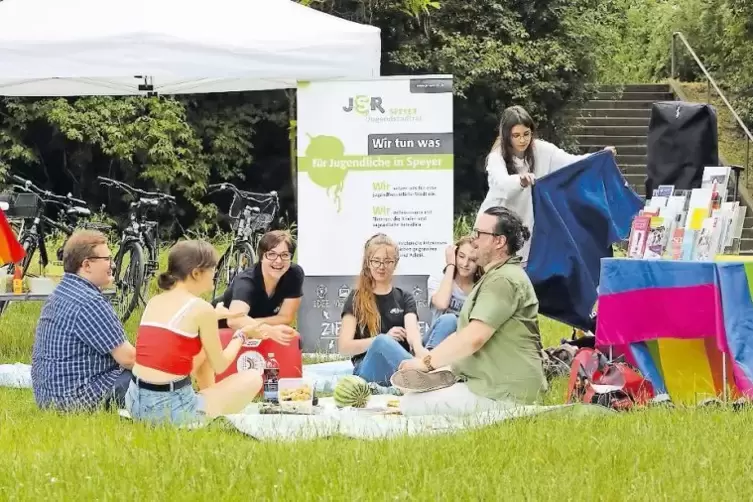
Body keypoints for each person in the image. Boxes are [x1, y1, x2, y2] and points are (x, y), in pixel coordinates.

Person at [391, 206, 548, 416]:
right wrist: (431, 361)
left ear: (499, 241)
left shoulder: (503, 280)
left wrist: (424, 364)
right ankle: (450, 374)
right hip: (496, 384)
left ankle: (450, 377)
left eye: (479, 234)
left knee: (410, 405)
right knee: (414, 398)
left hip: (505, 392)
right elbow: (464, 333)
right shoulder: (499, 275)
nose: (474, 240)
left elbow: (473, 339)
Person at [125, 240, 298, 426]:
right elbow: (220, 364)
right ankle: (206, 409)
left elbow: (177, 329)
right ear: (196, 273)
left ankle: (209, 399)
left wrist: (216, 315)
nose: (215, 275)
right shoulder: (201, 308)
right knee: (253, 378)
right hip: (172, 410)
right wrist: (242, 334)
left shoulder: (155, 301)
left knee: (201, 351)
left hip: (135, 402)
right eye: (213, 269)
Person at [477, 105, 617, 265]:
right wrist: (520, 181)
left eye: (526, 134)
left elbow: (570, 162)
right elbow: (502, 184)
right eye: (516, 135)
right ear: (507, 135)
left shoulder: (541, 149)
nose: (522, 140)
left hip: (527, 224)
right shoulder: (496, 157)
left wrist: (599, 156)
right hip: (496, 227)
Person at [32, 230, 136, 412]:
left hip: (49, 398)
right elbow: (128, 358)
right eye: (108, 259)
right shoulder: (90, 301)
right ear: (87, 265)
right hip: (75, 400)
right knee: (150, 376)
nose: (113, 265)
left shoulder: (60, 293)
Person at [337, 233, 423, 385]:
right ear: (368, 263)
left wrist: (420, 350)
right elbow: (344, 346)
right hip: (368, 368)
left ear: (395, 263)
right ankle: (423, 376)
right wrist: (381, 340)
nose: (381, 267)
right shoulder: (356, 298)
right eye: (376, 261)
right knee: (382, 341)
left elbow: (413, 333)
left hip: (402, 366)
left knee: (447, 321)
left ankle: (425, 369)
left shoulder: (405, 297)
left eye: (387, 261)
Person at [218, 230, 303, 343]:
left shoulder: (294, 274)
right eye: (271, 254)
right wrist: (268, 329)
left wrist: (251, 324)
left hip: (252, 332)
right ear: (262, 257)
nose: (278, 260)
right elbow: (234, 321)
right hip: (221, 330)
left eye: (285, 255)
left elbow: (285, 317)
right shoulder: (247, 281)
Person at [423, 236, 481, 350]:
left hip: (463, 346)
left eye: (472, 260)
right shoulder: (439, 279)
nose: (465, 263)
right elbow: (441, 303)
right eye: (461, 256)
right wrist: (450, 265)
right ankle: (428, 362)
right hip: (435, 342)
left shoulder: (481, 288)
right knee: (450, 320)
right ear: (454, 255)